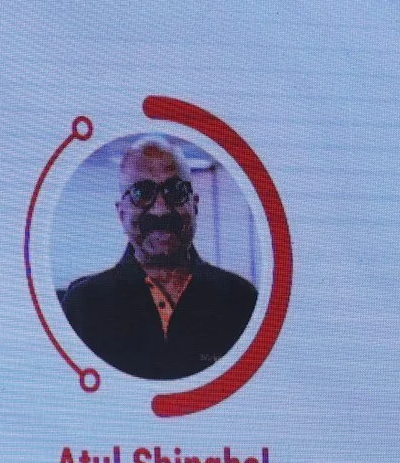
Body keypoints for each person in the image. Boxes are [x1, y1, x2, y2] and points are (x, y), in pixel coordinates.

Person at [58, 137, 258, 381]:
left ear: (194, 206)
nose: (160, 209)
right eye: (142, 192)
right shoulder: (83, 306)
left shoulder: (240, 299)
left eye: (176, 191)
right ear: (121, 213)